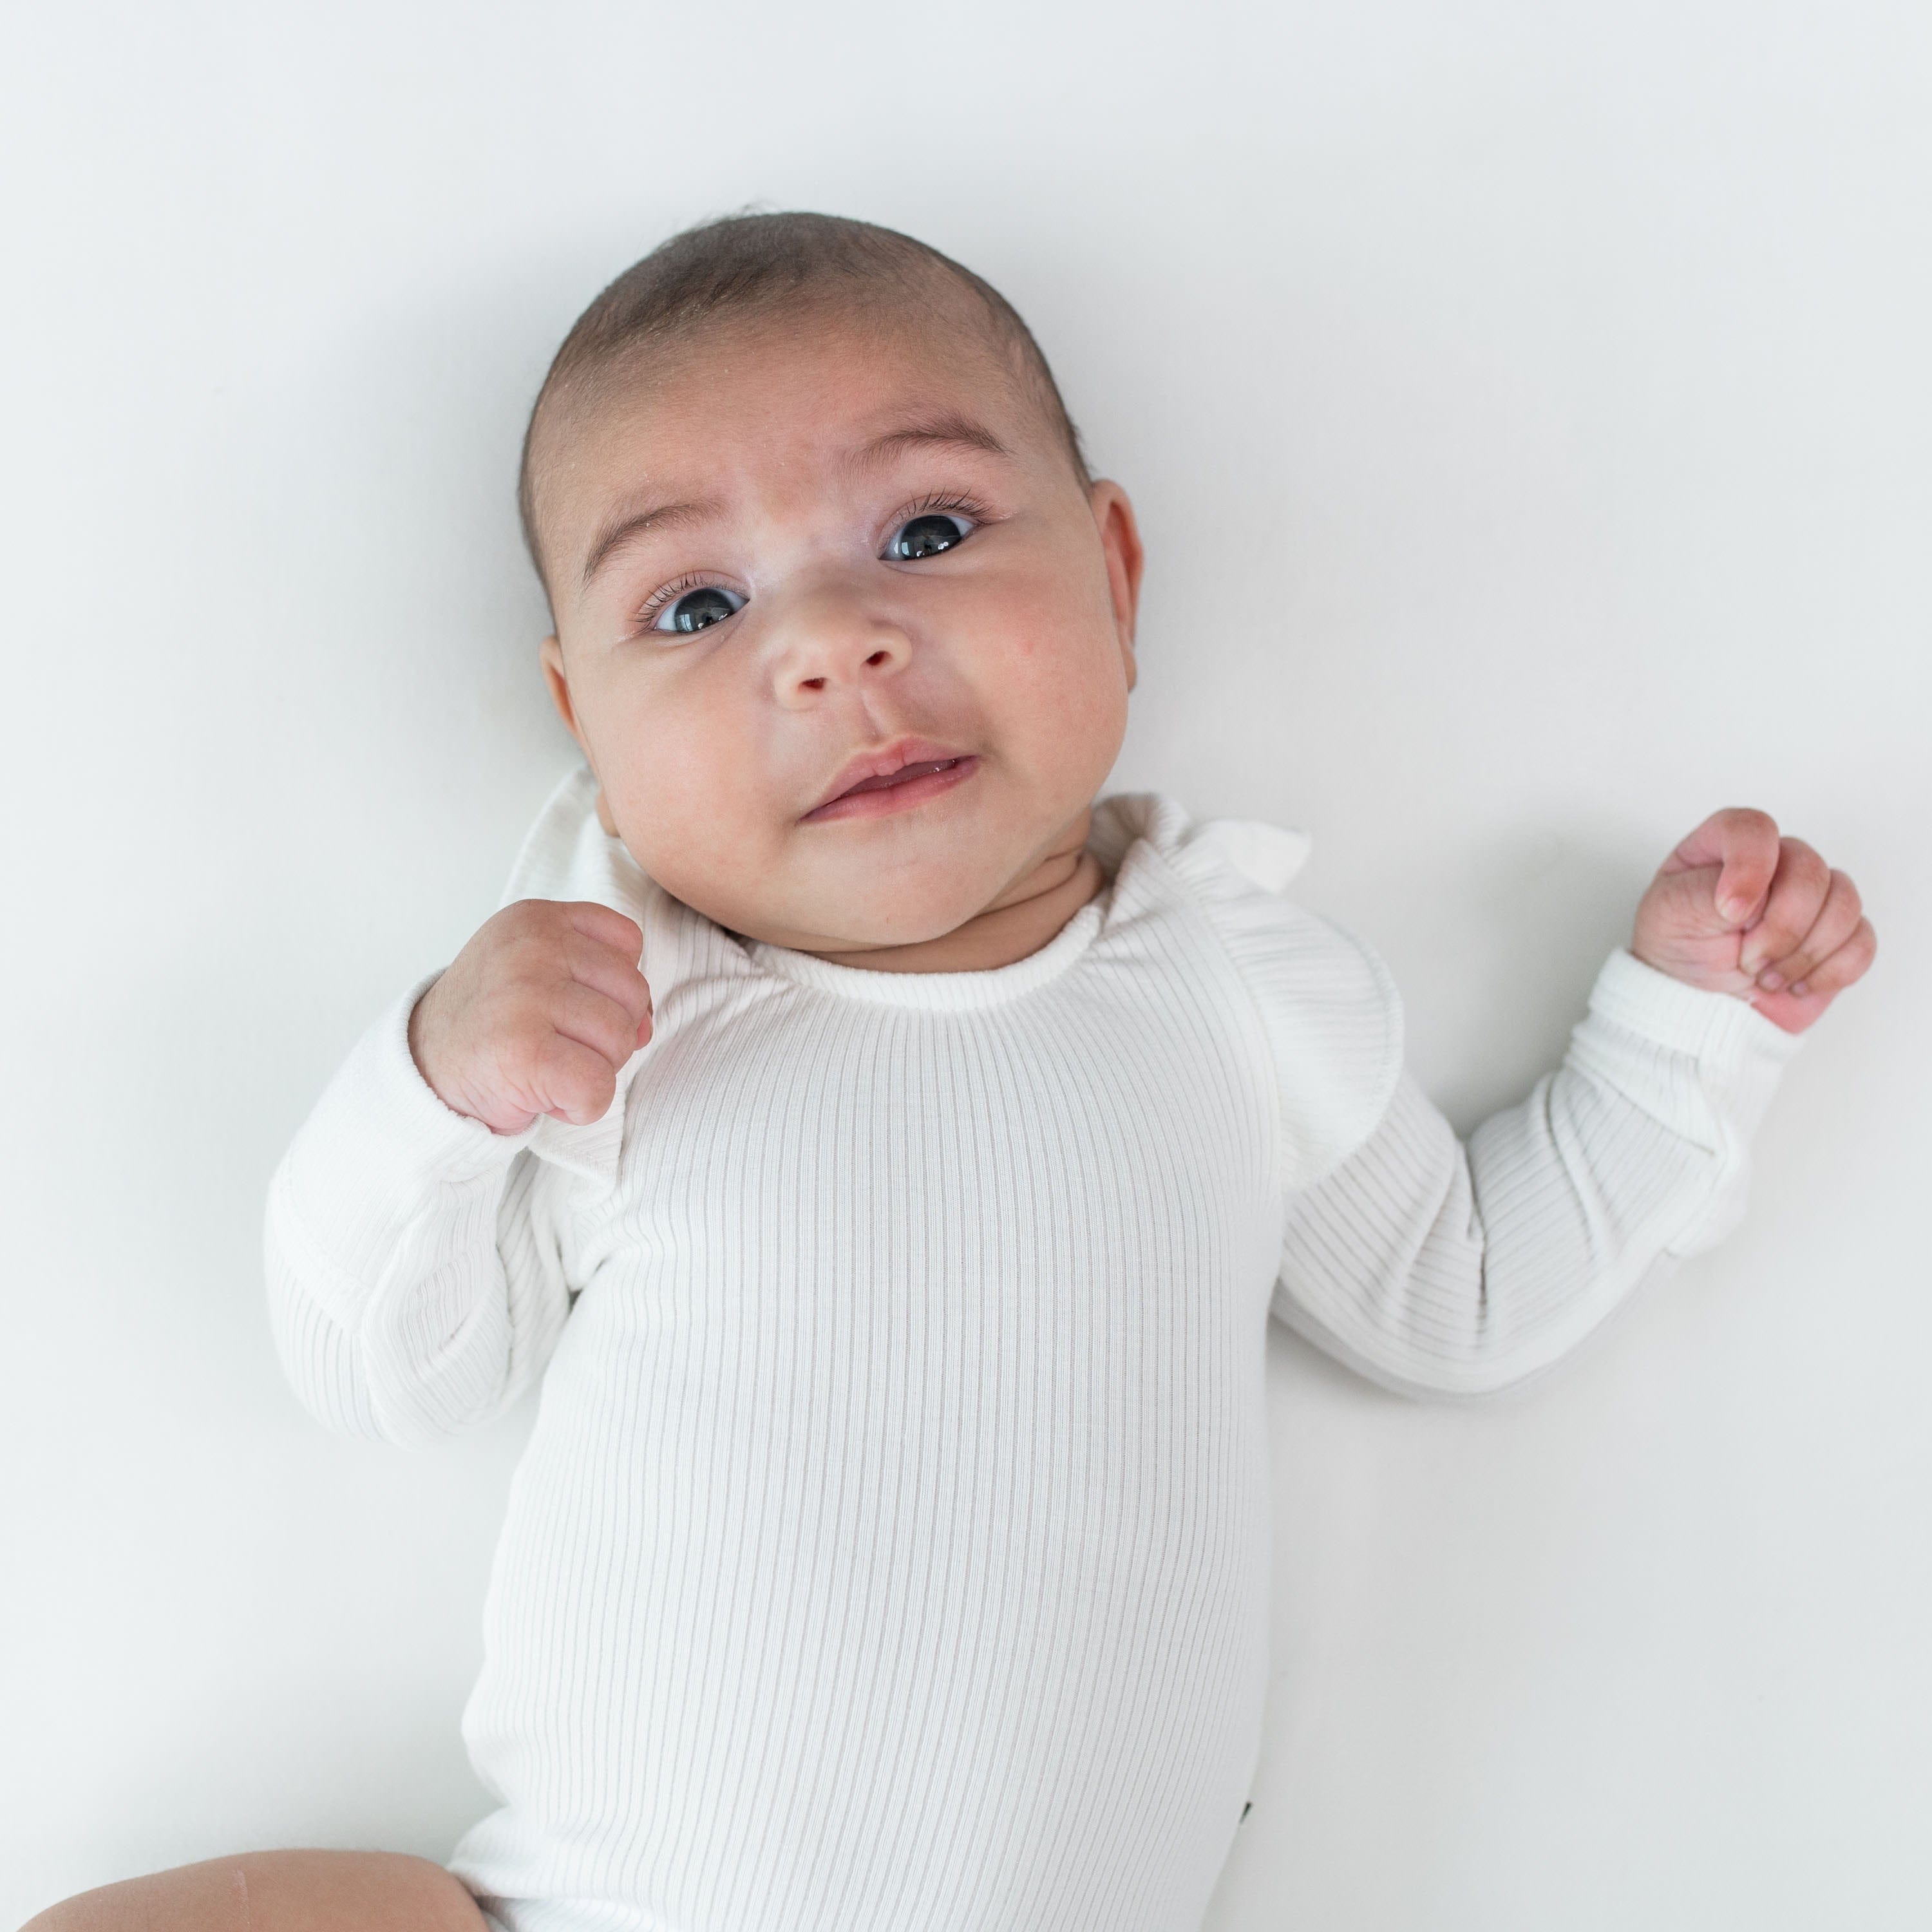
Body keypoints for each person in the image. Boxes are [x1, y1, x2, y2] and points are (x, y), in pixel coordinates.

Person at [28, 211, 1875, 1932]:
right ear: (582, 720)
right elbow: (391, 1378)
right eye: (694, 607)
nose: (835, 644)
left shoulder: (1228, 987)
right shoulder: (617, 1008)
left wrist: (1679, 1032)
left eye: (925, 534)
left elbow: (1458, 1297)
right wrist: (426, 1094)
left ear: (1116, 575)